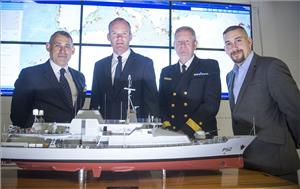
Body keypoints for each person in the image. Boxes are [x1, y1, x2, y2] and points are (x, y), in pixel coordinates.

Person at [223, 25, 300, 183]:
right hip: (247, 160)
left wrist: (290, 143)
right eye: (228, 43)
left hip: (276, 161)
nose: (234, 47)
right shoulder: (230, 76)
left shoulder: (271, 66)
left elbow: (294, 109)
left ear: (249, 42)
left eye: (238, 40)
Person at [10, 31, 86, 128]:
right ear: (48, 47)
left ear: (73, 50)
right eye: (58, 45)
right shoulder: (30, 74)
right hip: (40, 139)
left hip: (71, 136)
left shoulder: (79, 77)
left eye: (67, 46)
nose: (62, 50)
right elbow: (18, 114)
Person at [90, 17, 159, 121]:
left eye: (124, 33)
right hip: (104, 129)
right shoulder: (99, 66)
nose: (119, 38)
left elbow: (151, 102)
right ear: (108, 37)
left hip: (135, 129)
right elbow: (95, 102)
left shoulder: (145, 64)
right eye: (114, 34)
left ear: (130, 36)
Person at [159, 26, 221, 139]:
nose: (182, 45)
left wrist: (186, 131)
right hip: (172, 133)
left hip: (200, 132)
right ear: (174, 45)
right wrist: (167, 127)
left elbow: (211, 105)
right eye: (179, 42)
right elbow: (161, 104)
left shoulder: (209, 66)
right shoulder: (166, 72)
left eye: (187, 41)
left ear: (195, 44)